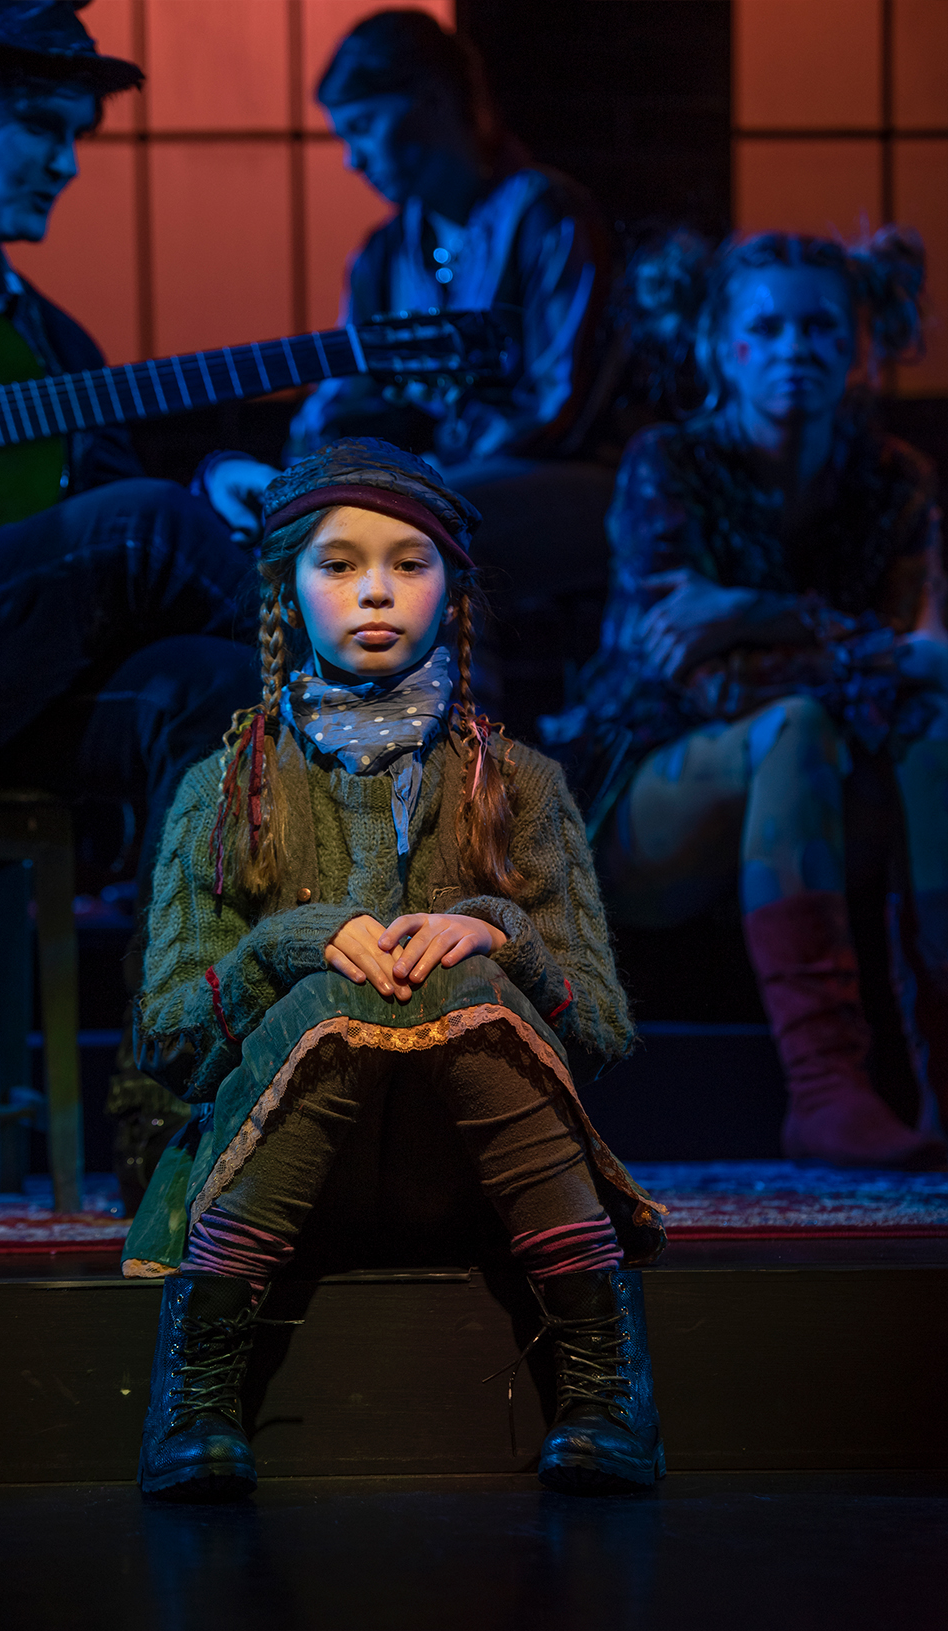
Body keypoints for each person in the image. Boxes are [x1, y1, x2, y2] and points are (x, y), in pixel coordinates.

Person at [121, 437, 667, 1501]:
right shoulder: (220, 791)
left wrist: (500, 933)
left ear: (450, 587)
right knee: (341, 989)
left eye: (407, 563)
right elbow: (168, 1041)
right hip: (282, 1185)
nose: (374, 590)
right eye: (339, 564)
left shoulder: (519, 784)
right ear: (287, 589)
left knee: (457, 980)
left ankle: (604, 1385)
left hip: (475, 1180)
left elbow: (601, 1031)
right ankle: (197, 1392)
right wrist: (285, 943)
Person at [0, 2, 264, 1205]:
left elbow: (102, 527)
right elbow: (126, 531)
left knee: (215, 685)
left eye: (76, 132)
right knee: (144, 526)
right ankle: (397, 766)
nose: (69, 162)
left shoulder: (42, 338)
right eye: (43, 125)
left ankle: (173, 1105)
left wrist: (211, 485)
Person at [541, 228, 948, 1171]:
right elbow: (699, 678)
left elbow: (917, 676)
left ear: (858, 345)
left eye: (821, 327)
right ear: (720, 347)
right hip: (655, 792)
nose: (794, 349)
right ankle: (824, 1086)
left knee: (933, 733)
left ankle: (939, 1082)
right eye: (765, 329)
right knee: (794, 725)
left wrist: (746, 613)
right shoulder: (669, 464)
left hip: (826, 790)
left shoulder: (895, 481)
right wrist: (870, 651)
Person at [207, 9, 618, 735]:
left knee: (415, 531)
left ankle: (462, 766)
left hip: (569, 477)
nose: (352, 159)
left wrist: (425, 466)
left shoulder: (547, 215)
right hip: (439, 483)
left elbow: (558, 408)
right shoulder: (383, 254)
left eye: (364, 128)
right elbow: (339, 402)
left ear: (431, 100)